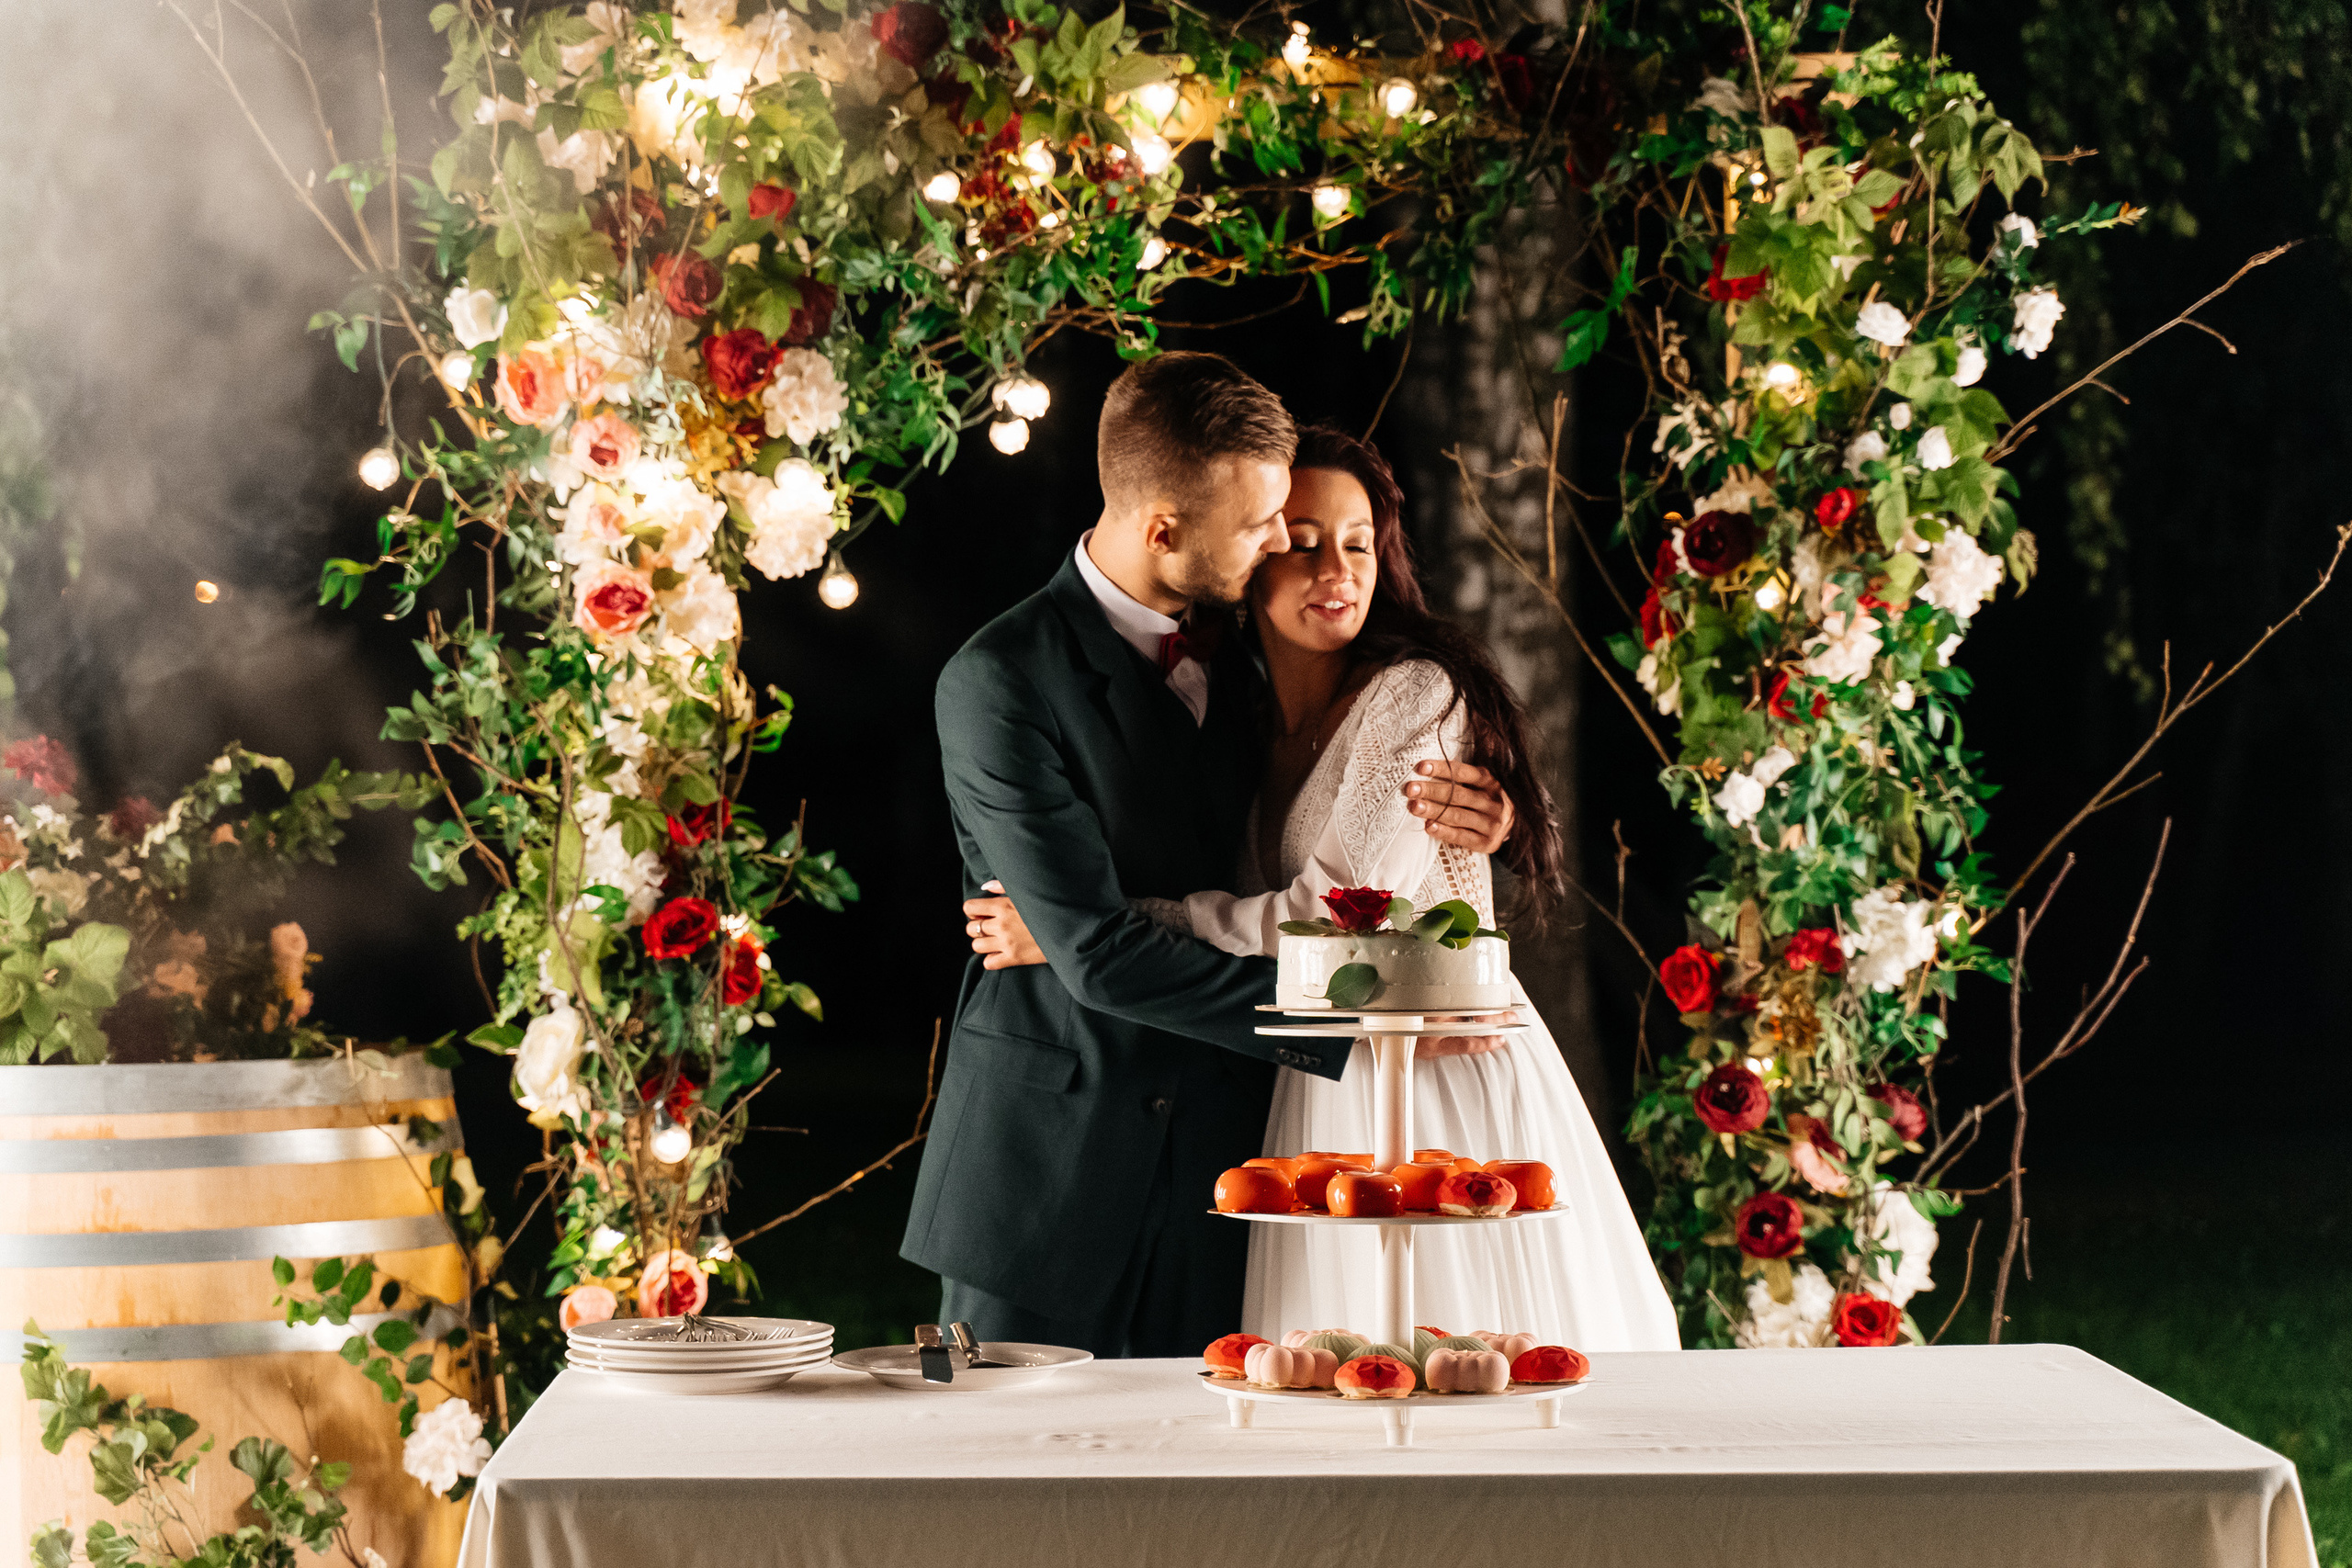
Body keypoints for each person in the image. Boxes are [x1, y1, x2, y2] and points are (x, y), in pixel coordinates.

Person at [967, 423, 1680, 1351]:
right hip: (1312, 1066)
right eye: (1301, 544)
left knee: (1450, 1349)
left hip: (1427, 1075)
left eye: (1358, 544)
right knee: (1329, 1361)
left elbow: (1333, 921)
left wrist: (1080, 928)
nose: (1335, 569)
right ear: (1251, 558)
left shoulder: (1414, 694)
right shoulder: (1241, 715)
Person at [902, 355, 1519, 1359]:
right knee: (1009, 1490)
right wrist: (1358, 1034)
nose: (1281, 544)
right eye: (1258, 525)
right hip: (1048, 1175)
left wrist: (1481, 821)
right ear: (1162, 531)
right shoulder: (999, 680)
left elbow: (1335, 812)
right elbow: (1096, 956)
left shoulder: (1248, 655)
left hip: (1232, 1170)